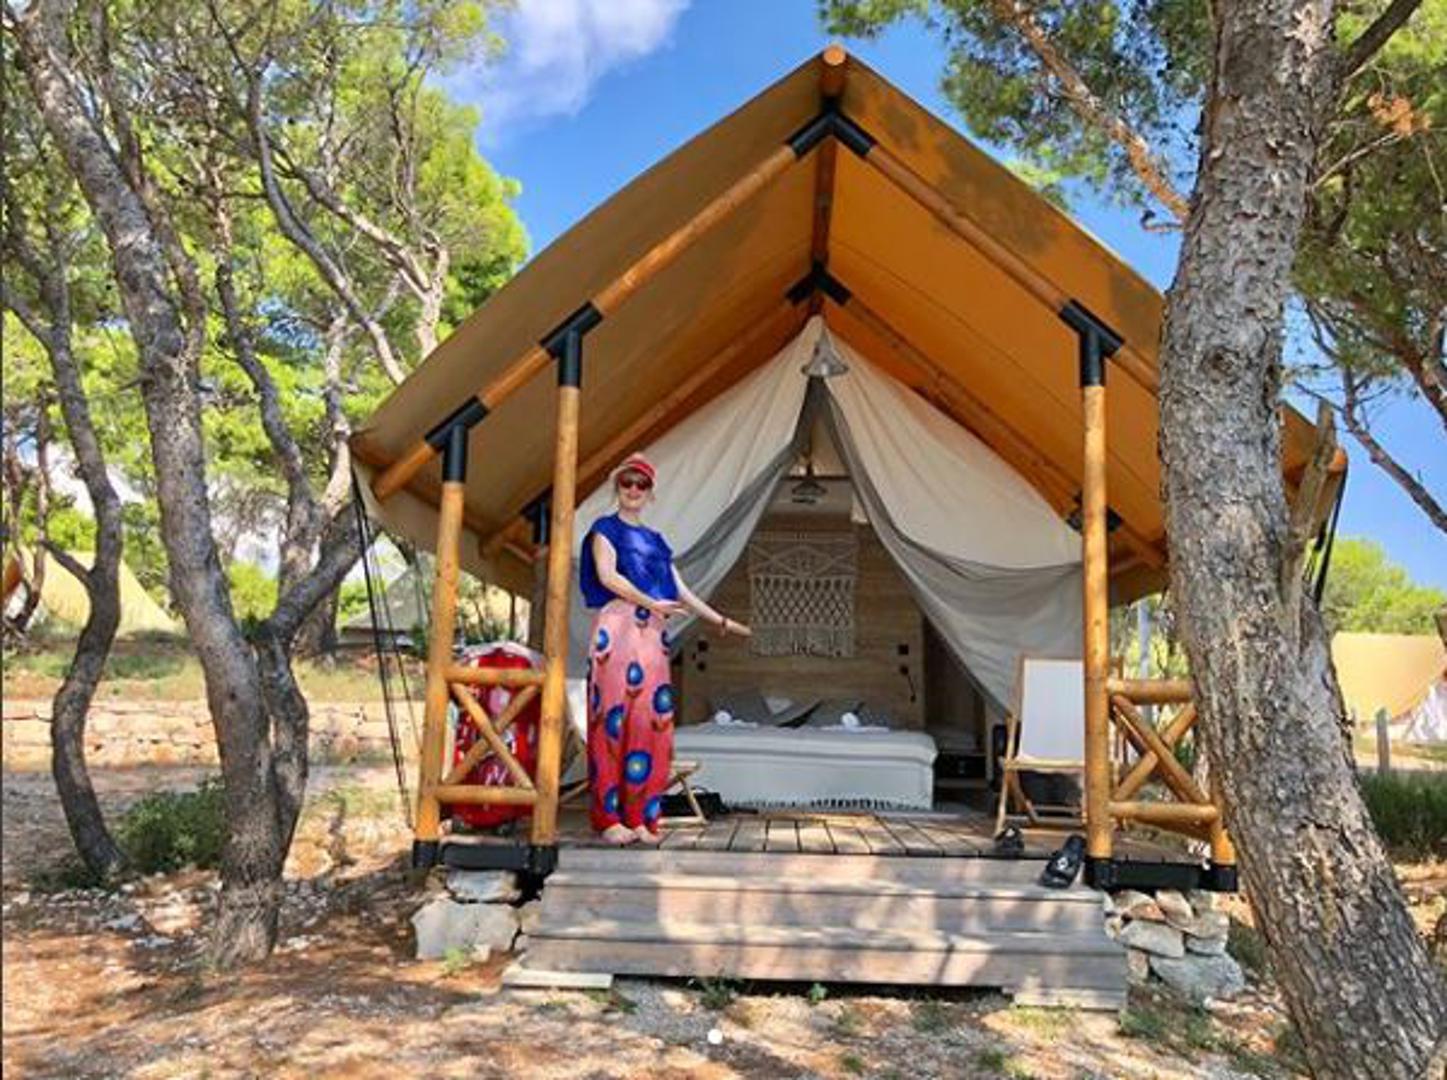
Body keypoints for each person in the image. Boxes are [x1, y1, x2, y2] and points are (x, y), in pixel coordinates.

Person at [578, 452, 750, 846]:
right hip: (618, 628)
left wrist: (722, 622)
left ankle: (640, 816)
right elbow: (608, 576)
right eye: (627, 482)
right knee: (613, 721)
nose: (634, 489)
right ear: (617, 487)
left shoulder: (657, 542)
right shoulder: (604, 529)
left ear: (651, 493)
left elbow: (683, 591)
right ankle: (610, 819)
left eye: (641, 484)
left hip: (652, 636)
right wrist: (650, 602)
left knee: (649, 724)